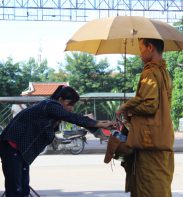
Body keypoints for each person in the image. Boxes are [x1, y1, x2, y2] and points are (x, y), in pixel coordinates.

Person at [0, 85, 115, 197]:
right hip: (11, 146)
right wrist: (98, 123)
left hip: (20, 150)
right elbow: (72, 117)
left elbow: (73, 117)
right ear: (60, 99)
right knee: (15, 189)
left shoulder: (50, 108)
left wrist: (99, 125)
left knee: (23, 187)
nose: (71, 108)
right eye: (70, 104)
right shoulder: (50, 105)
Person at [116, 38, 174, 196]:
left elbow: (150, 105)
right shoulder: (165, 73)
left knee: (147, 188)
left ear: (150, 48)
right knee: (160, 184)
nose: (139, 54)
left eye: (141, 48)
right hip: (162, 138)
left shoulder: (150, 72)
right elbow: (160, 106)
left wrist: (126, 108)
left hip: (148, 141)